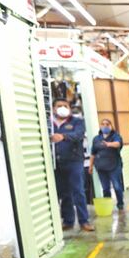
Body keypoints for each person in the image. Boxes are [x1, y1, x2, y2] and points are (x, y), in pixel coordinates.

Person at [51, 98, 94, 232]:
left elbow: (78, 135)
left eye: (65, 106)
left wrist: (63, 136)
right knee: (64, 193)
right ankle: (68, 221)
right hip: (56, 162)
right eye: (59, 106)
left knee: (78, 191)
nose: (62, 108)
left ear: (69, 108)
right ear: (53, 108)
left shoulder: (77, 122)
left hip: (74, 162)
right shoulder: (49, 123)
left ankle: (84, 221)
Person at [89, 119, 124, 210]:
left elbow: (118, 144)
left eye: (107, 124)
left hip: (114, 166)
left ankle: (120, 203)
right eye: (103, 124)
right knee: (105, 188)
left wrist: (108, 144)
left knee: (117, 186)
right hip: (101, 167)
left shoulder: (115, 136)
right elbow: (93, 153)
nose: (105, 126)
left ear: (111, 126)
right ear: (100, 126)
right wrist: (91, 166)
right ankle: (108, 206)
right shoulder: (96, 139)